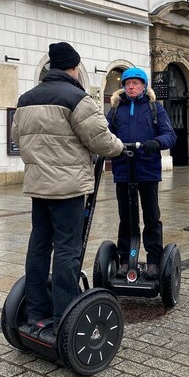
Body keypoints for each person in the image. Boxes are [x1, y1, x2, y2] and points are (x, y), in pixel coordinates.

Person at [11, 42, 123, 338]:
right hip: (69, 188)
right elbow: (101, 141)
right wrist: (120, 148)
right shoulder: (78, 98)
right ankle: (64, 315)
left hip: (38, 186)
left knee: (38, 247)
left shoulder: (26, 99)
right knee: (66, 250)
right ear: (73, 68)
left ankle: (36, 313)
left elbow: (18, 138)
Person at [107, 67, 176, 280]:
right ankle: (126, 259)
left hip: (147, 169)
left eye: (135, 83)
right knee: (126, 218)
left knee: (151, 216)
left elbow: (170, 135)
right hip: (123, 170)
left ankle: (154, 260)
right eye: (127, 83)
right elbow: (104, 134)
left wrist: (156, 142)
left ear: (144, 86)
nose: (131, 86)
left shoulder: (155, 108)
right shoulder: (116, 110)